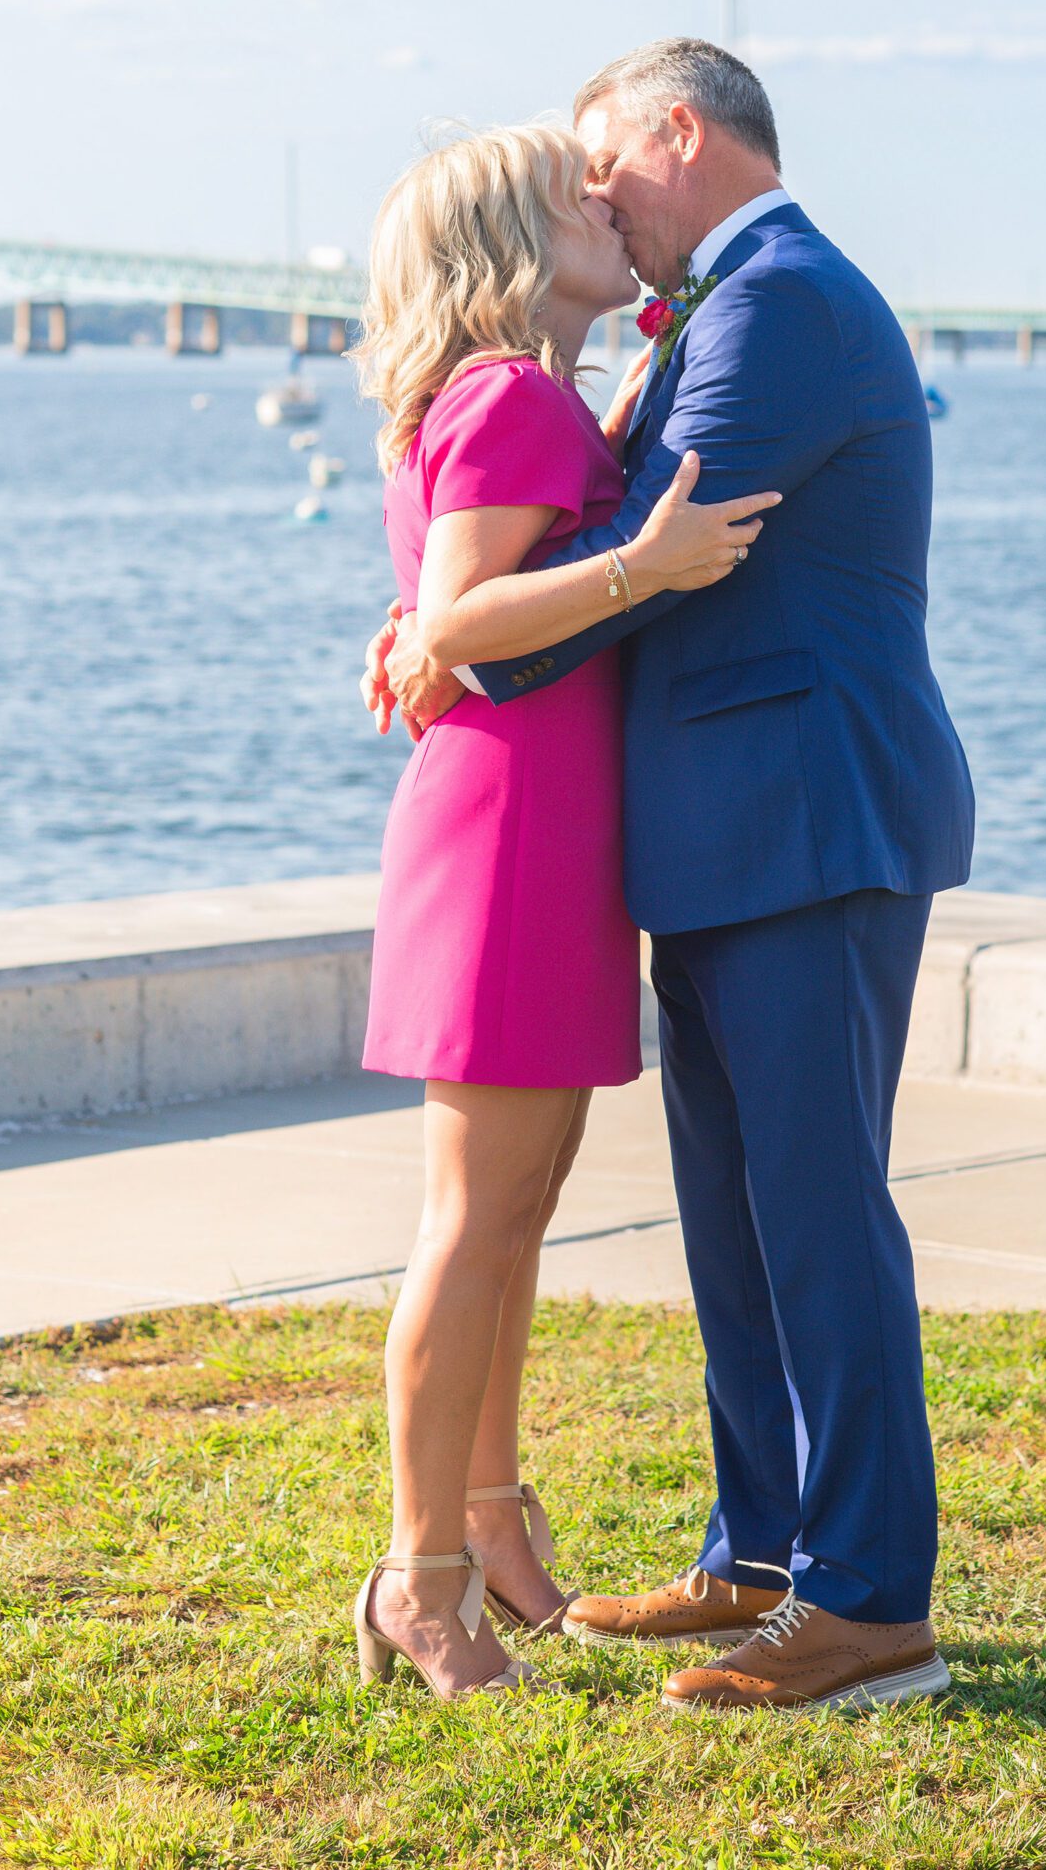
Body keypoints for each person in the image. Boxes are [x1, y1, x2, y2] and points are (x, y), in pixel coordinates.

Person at [366, 41, 976, 1714]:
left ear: (674, 136)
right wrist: (449, 613)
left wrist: (454, 638)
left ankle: (865, 1605)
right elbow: (584, 533)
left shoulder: (777, 300)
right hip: (718, 831)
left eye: (601, 170)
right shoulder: (720, 309)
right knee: (737, 1210)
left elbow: (653, 536)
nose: (596, 205)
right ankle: (764, 1554)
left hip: (803, 816)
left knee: (816, 1205)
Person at [349, 122, 779, 1702]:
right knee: (473, 1228)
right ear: (510, 248)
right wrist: (651, 565)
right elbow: (466, 613)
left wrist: (429, 624)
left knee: (512, 1218)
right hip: (511, 835)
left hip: (536, 828)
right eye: (571, 196)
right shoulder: (514, 392)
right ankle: (425, 1583)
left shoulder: (513, 394)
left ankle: (490, 1521)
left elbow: (440, 608)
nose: (607, 203)